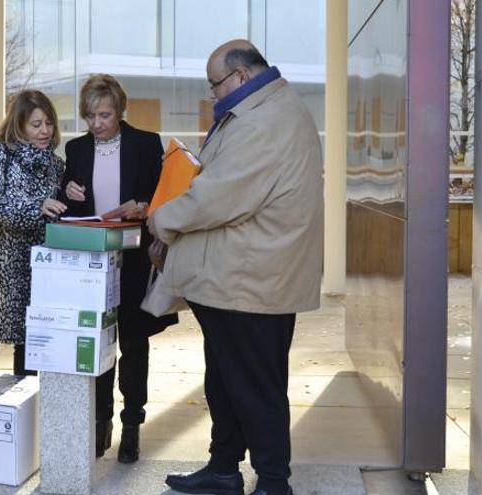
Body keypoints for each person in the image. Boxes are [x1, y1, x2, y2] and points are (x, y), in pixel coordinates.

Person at [151, 40, 323, 495]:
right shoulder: (262, 109)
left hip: (253, 282)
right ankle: (224, 467)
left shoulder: (265, 121)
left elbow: (218, 195)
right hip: (239, 280)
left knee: (255, 389)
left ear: (242, 76)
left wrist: (161, 219)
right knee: (227, 381)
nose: (211, 95)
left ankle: (272, 482)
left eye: (215, 84)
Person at [62, 74, 178, 463]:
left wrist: (144, 205)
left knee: (133, 343)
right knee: (96, 343)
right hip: (93, 259)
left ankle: (132, 424)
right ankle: (101, 423)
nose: (97, 123)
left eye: (105, 115)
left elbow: (164, 195)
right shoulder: (75, 149)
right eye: (91, 115)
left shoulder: (146, 143)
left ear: (120, 110)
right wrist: (69, 193)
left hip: (133, 258)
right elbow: (72, 201)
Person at [0, 90, 67, 390]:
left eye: (48, 123)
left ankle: (22, 416)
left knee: (30, 347)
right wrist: (36, 207)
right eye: (36, 124)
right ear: (18, 125)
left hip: (36, 268)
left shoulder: (55, 165)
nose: (44, 131)